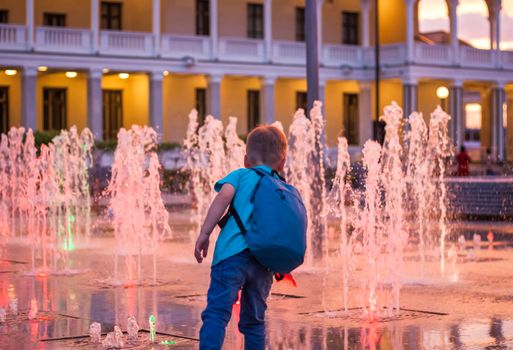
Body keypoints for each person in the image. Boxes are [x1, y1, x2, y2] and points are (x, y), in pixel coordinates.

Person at [194, 125, 289, 350]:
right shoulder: (281, 186)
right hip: (263, 262)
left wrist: (205, 233)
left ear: (246, 160)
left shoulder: (240, 175)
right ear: (282, 163)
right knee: (254, 320)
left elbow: (224, 196)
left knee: (217, 313)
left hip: (230, 256)